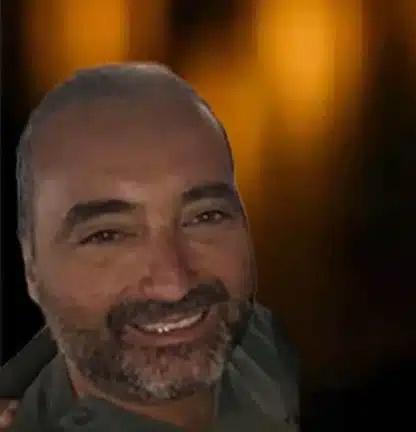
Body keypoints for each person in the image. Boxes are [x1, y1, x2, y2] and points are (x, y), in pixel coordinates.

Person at [0, 63, 300, 431]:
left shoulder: (261, 346)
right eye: (107, 236)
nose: (174, 286)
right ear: (31, 266)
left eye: (205, 216)